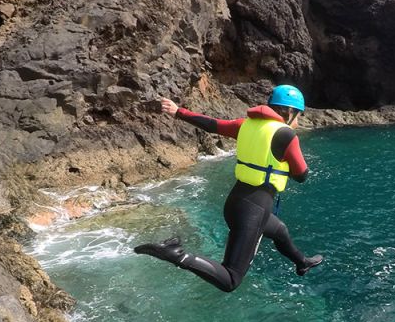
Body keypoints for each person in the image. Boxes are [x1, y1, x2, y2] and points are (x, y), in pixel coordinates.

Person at [134, 85, 322, 292]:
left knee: (279, 230)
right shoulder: (286, 135)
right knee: (231, 279)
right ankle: (177, 254)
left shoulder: (246, 125)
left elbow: (213, 124)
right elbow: (302, 175)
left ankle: (302, 262)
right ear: (290, 112)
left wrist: (179, 111)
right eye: (299, 115)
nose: (298, 121)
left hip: (237, 203)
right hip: (253, 210)